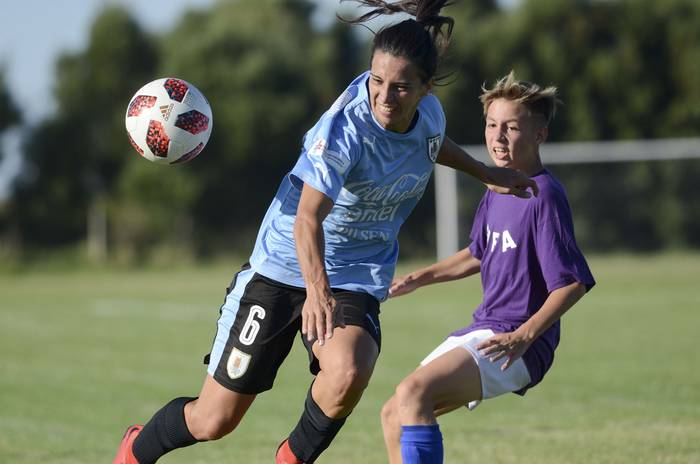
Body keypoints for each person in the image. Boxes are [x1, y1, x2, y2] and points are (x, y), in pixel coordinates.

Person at [111, 2, 540, 463]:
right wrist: (317, 292)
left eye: (400, 88)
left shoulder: (430, 115)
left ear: (425, 89)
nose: (384, 97)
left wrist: (484, 172)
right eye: (376, 81)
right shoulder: (344, 131)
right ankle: (135, 451)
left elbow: (431, 143)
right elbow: (307, 218)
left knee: (350, 368)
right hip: (281, 264)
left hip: (355, 271)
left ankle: (290, 459)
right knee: (214, 421)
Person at [379, 71, 596, 464]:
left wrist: (524, 336)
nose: (497, 137)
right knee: (393, 413)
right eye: (492, 125)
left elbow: (573, 283)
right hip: (486, 326)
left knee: (414, 393)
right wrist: (417, 278)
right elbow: (479, 252)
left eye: (511, 128)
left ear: (539, 135)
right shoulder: (497, 185)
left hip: (518, 341)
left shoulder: (542, 194)